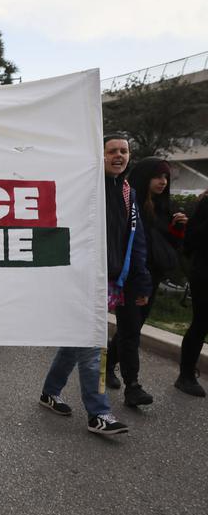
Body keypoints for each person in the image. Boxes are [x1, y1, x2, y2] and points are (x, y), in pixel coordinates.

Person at [37, 134, 150, 436]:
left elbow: (135, 242)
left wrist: (141, 282)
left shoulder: (128, 192)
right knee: (92, 345)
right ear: (99, 156)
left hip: (111, 281)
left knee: (77, 342)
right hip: (82, 278)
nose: (118, 155)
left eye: (124, 151)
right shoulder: (87, 188)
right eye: (112, 150)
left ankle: (50, 392)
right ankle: (98, 414)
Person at [107, 157, 185, 396]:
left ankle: (107, 364)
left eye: (166, 178)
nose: (162, 182)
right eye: (157, 177)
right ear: (144, 177)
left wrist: (177, 230)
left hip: (151, 279)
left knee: (132, 327)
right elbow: (135, 245)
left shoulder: (163, 207)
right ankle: (133, 386)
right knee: (131, 331)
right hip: (131, 278)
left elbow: (164, 248)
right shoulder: (129, 203)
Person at [177, 188, 208, 397]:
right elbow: (189, 241)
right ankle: (185, 375)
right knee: (202, 322)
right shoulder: (206, 203)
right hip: (204, 273)